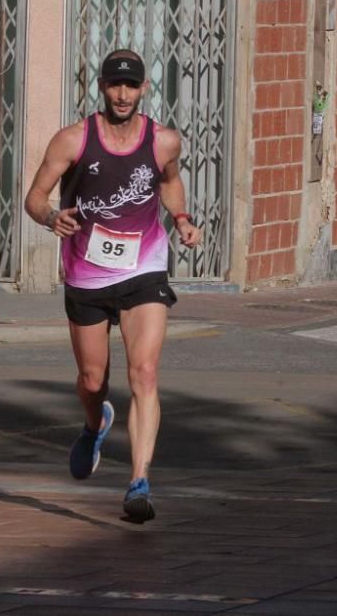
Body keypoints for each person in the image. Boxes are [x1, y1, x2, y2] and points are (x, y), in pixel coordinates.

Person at [24, 49, 201, 522]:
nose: (122, 94)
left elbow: (170, 182)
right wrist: (50, 217)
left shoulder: (163, 141)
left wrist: (180, 218)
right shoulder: (73, 140)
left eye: (131, 86)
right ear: (101, 87)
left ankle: (139, 482)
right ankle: (93, 422)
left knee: (143, 373)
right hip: (87, 270)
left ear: (144, 89)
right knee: (92, 380)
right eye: (114, 85)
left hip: (144, 266)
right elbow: (35, 198)